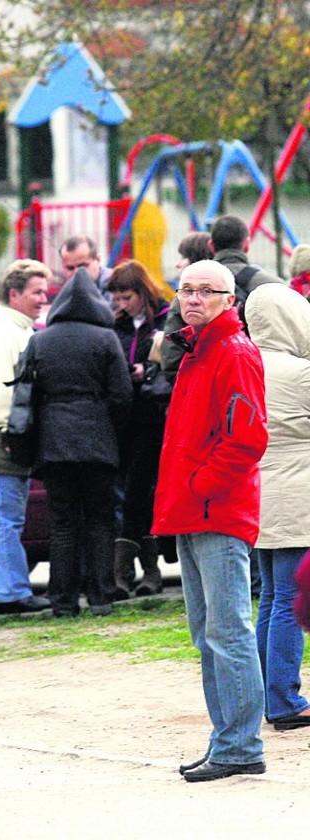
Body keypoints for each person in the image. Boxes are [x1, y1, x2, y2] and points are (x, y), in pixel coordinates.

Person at [153, 259, 268, 782]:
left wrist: (199, 488)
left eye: (206, 291)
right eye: (187, 290)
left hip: (215, 511)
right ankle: (228, 740)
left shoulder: (233, 353)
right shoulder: (198, 351)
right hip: (194, 512)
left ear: (230, 299)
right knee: (209, 634)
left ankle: (240, 744)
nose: (193, 299)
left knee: (227, 631)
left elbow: (246, 439)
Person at [22, 268, 131, 617]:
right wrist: (112, 429)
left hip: (54, 444)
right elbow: (122, 394)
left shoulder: (40, 340)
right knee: (100, 520)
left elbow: (27, 396)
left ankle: (63, 602)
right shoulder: (105, 339)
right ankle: (101, 596)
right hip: (98, 440)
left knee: (63, 523)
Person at [245, 284, 310, 731]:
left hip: (254, 495)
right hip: (296, 494)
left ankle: (270, 692)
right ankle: (285, 700)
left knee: (270, 597)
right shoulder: (302, 373)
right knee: (288, 599)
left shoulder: (242, 364)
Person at [0, 259, 51, 614]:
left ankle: (1, 589)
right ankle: (11, 591)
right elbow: (3, 385)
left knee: (4, 514)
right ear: (14, 294)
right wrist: (9, 430)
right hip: (2, 431)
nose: (43, 299)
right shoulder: (3, 330)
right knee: (7, 514)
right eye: (36, 292)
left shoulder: (7, 327)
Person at [106, 260, 171, 599]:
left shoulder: (165, 321)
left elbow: (170, 365)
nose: (121, 303)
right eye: (116, 297)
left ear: (142, 293)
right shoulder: (116, 325)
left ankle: (136, 573)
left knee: (137, 494)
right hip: (123, 420)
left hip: (152, 418)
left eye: (127, 296)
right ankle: (144, 572)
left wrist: (144, 371)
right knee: (130, 496)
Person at [161, 215, 283, 382]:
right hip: (269, 381)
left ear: (211, 246)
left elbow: (171, 358)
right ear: (246, 244)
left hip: (200, 385)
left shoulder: (189, 291)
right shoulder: (274, 286)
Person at [59, 234, 112, 302]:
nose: (77, 273)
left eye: (82, 266)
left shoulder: (115, 285)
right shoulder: (67, 292)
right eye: (70, 268)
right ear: (63, 266)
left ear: (98, 260)